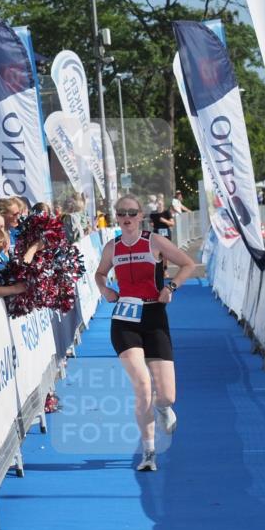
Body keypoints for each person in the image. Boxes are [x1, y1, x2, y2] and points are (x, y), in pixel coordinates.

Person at [93, 195, 195, 472]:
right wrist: (105, 289)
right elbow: (100, 273)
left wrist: (170, 287)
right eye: (121, 213)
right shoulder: (111, 247)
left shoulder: (154, 242)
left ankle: (163, 408)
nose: (126, 217)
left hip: (153, 316)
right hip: (125, 320)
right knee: (142, 387)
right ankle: (149, 452)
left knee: (167, 396)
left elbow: (188, 264)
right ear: (117, 217)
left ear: (140, 216)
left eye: (132, 212)